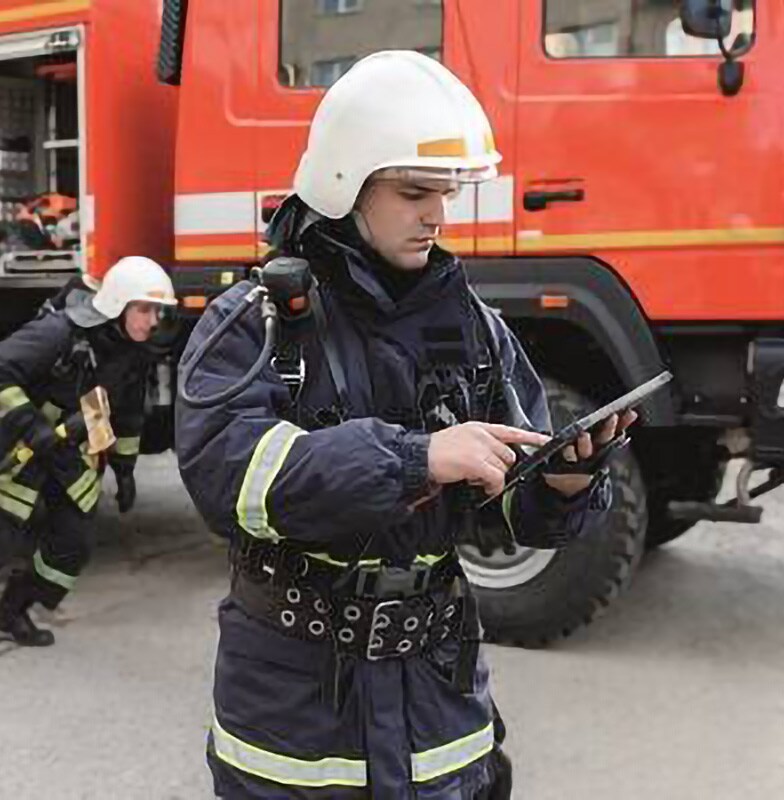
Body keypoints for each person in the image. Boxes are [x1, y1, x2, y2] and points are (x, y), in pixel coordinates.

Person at [176, 51, 635, 799]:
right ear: (343, 184)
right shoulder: (256, 324)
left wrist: (563, 482)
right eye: (414, 192)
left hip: (437, 707)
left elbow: (512, 509)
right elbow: (230, 481)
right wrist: (414, 458)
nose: (437, 215)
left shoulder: (473, 328)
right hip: (294, 717)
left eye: (445, 193)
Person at [0, 256, 177, 646]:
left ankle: (12, 610)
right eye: (144, 309)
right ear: (117, 306)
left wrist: (124, 469)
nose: (153, 321)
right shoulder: (58, 333)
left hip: (68, 453)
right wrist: (34, 427)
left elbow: (126, 414)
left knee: (72, 545)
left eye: (157, 311)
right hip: (20, 450)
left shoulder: (133, 352)